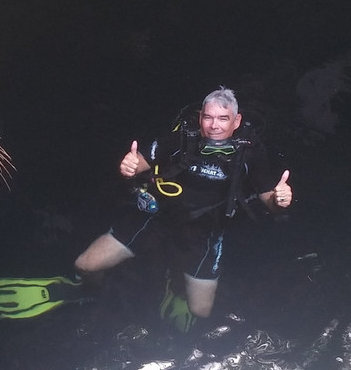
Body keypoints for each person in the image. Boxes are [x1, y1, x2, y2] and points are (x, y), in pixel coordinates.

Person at [71, 87, 293, 329]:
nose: (214, 126)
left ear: (236, 121)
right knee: (85, 266)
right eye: (208, 118)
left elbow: (269, 199)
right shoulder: (182, 138)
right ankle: (93, 293)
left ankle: (173, 284)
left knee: (201, 311)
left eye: (223, 118)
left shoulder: (250, 153)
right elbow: (141, 161)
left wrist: (279, 200)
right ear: (200, 118)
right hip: (158, 216)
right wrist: (129, 166)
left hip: (204, 230)